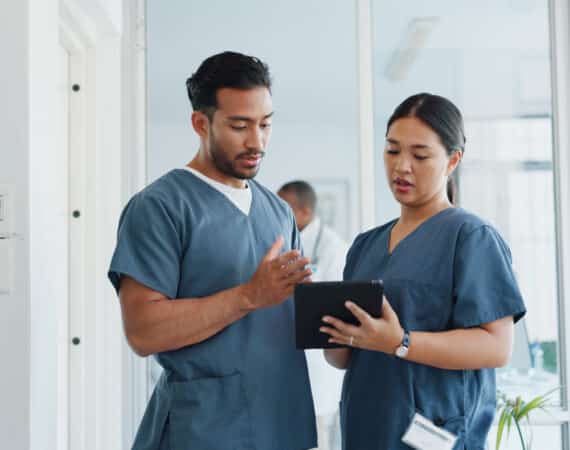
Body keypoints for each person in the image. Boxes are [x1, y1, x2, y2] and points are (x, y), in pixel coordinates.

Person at [108, 51, 317, 450]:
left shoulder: (277, 211)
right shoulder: (160, 207)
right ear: (200, 123)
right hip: (206, 430)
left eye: (265, 125)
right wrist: (247, 297)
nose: (257, 141)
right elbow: (142, 330)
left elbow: (285, 316)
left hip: (281, 422)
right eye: (239, 126)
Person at [320, 93, 526, 450]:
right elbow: (344, 357)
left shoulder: (471, 237)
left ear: (452, 160)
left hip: (434, 434)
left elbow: (497, 346)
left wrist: (400, 343)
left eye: (420, 155)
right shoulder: (365, 245)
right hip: (366, 428)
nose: (402, 166)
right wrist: (331, 330)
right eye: (392, 151)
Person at [278, 181, 348, 450]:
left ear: (305, 211)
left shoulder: (333, 249)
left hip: (318, 370)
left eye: (286, 208)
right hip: (282, 365)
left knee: (316, 441)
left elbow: (331, 309)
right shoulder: (281, 243)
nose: (278, 212)